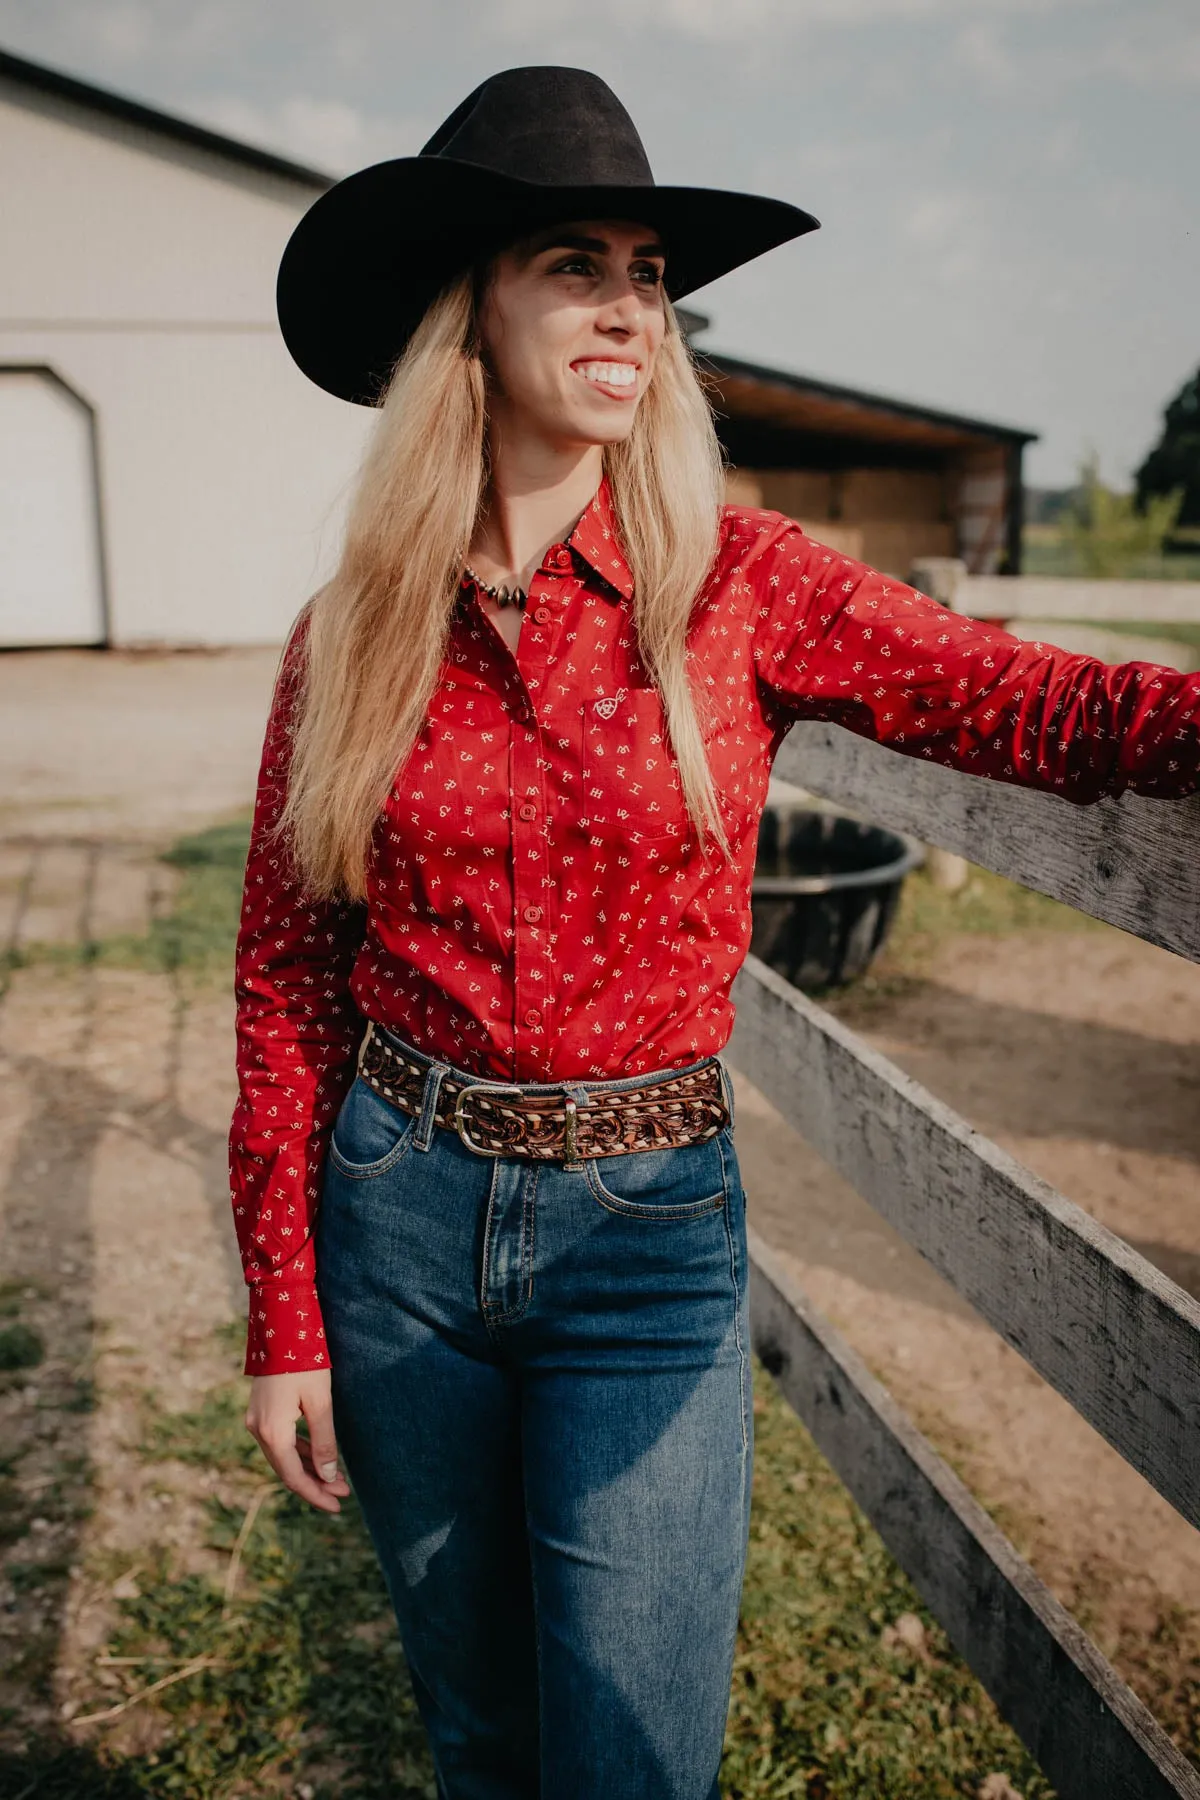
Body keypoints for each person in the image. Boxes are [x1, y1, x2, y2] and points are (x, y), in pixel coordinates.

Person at [228, 65, 1200, 1800]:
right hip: (396, 1218)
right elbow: (290, 978)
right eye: (574, 263)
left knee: (635, 1761)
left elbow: (1027, 705)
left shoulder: (742, 584)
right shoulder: (354, 632)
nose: (628, 309)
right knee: (479, 1733)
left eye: (651, 274)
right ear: (474, 309)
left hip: (643, 1236)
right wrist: (286, 1313)